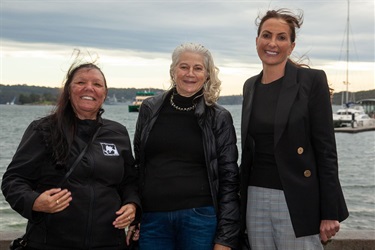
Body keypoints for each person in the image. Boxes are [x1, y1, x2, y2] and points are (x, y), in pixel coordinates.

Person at [2, 54, 141, 250]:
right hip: (51, 242)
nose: (89, 88)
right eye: (81, 82)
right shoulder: (44, 129)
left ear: (105, 93)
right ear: (68, 90)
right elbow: (13, 180)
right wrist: (34, 201)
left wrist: (133, 204)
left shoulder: (117, 132)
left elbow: (130, 181)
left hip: (109, 242)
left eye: (97, 84)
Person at [239, 9, 349, 249]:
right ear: (257, 40)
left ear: (291, 45)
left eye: (281, 37)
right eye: (266, 35)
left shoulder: (311, 81)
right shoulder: (250, 86)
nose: (272, 43)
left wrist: (329, 211)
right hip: (254, 196)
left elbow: (326, 150)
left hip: (297, 198)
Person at [128, 42, 240, 250]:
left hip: (200, 219)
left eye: (198, 68)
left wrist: (225, 238)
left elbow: (229, 179)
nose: (190, 73)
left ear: (207, 75)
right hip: (153, 220)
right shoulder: (149, 109)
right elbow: (140, 166)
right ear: (173, 71)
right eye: (184, 66)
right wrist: (137, 215)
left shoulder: (219, 117)